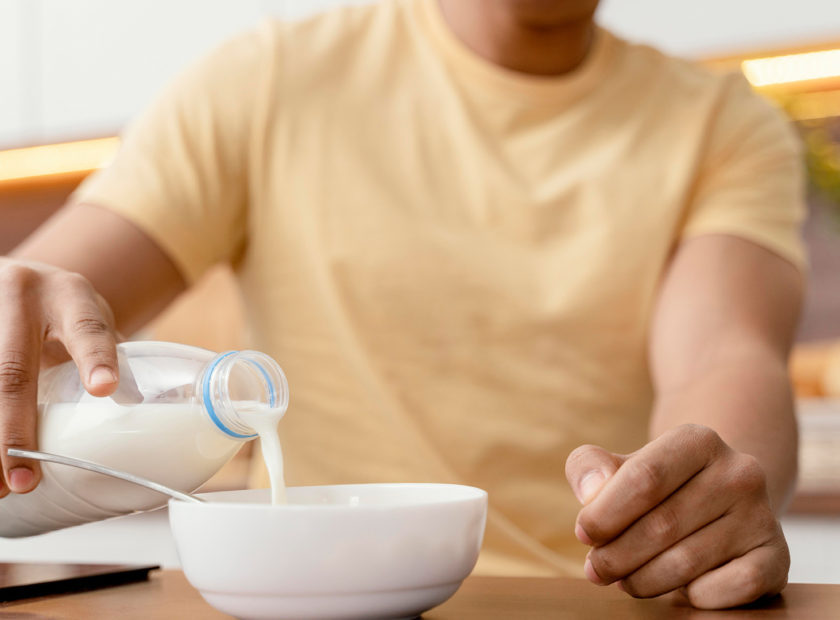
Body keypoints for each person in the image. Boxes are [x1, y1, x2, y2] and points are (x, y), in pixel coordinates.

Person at [0, 0, 804, 609]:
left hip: (591, 605)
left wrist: (712, 493)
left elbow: (725, 354)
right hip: (319, 603)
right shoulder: (272, 83)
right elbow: (47, 290)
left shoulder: (724, 125)